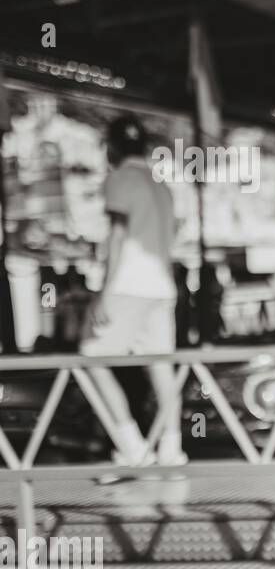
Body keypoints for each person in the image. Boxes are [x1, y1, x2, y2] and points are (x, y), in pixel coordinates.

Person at [80, 114, 186, 470]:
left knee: (90, 359)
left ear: (111, 147)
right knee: (161, 367)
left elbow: (118, 236)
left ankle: (132, 446)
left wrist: (103, 292)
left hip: (127, 286)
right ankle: (171, 449)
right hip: (162, 288)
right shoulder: (162, 186)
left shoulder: (119, 179)